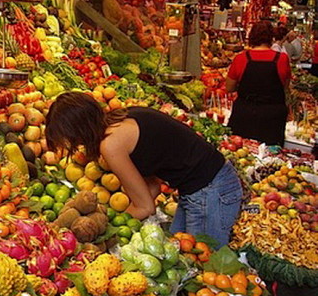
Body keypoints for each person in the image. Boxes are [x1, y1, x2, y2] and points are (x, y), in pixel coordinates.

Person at [45, 92, 242, 247]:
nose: (75, 145)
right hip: (202, 187)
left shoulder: (111, 144)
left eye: (70, 139)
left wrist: (106, 228)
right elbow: (153, 188)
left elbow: (145, 207)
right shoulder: (123, 118)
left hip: (211, 190)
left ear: (78, 130)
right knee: (180, 254)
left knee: (203, 268)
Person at [226, 21, 291, 146]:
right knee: (272, 157)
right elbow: (285, 87)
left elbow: (229, 88)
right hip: (272, 117)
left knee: (240, 152)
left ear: (252, 37)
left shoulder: (241, 58)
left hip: (245, 114)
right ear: (271, 37)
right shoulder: (282, 59)